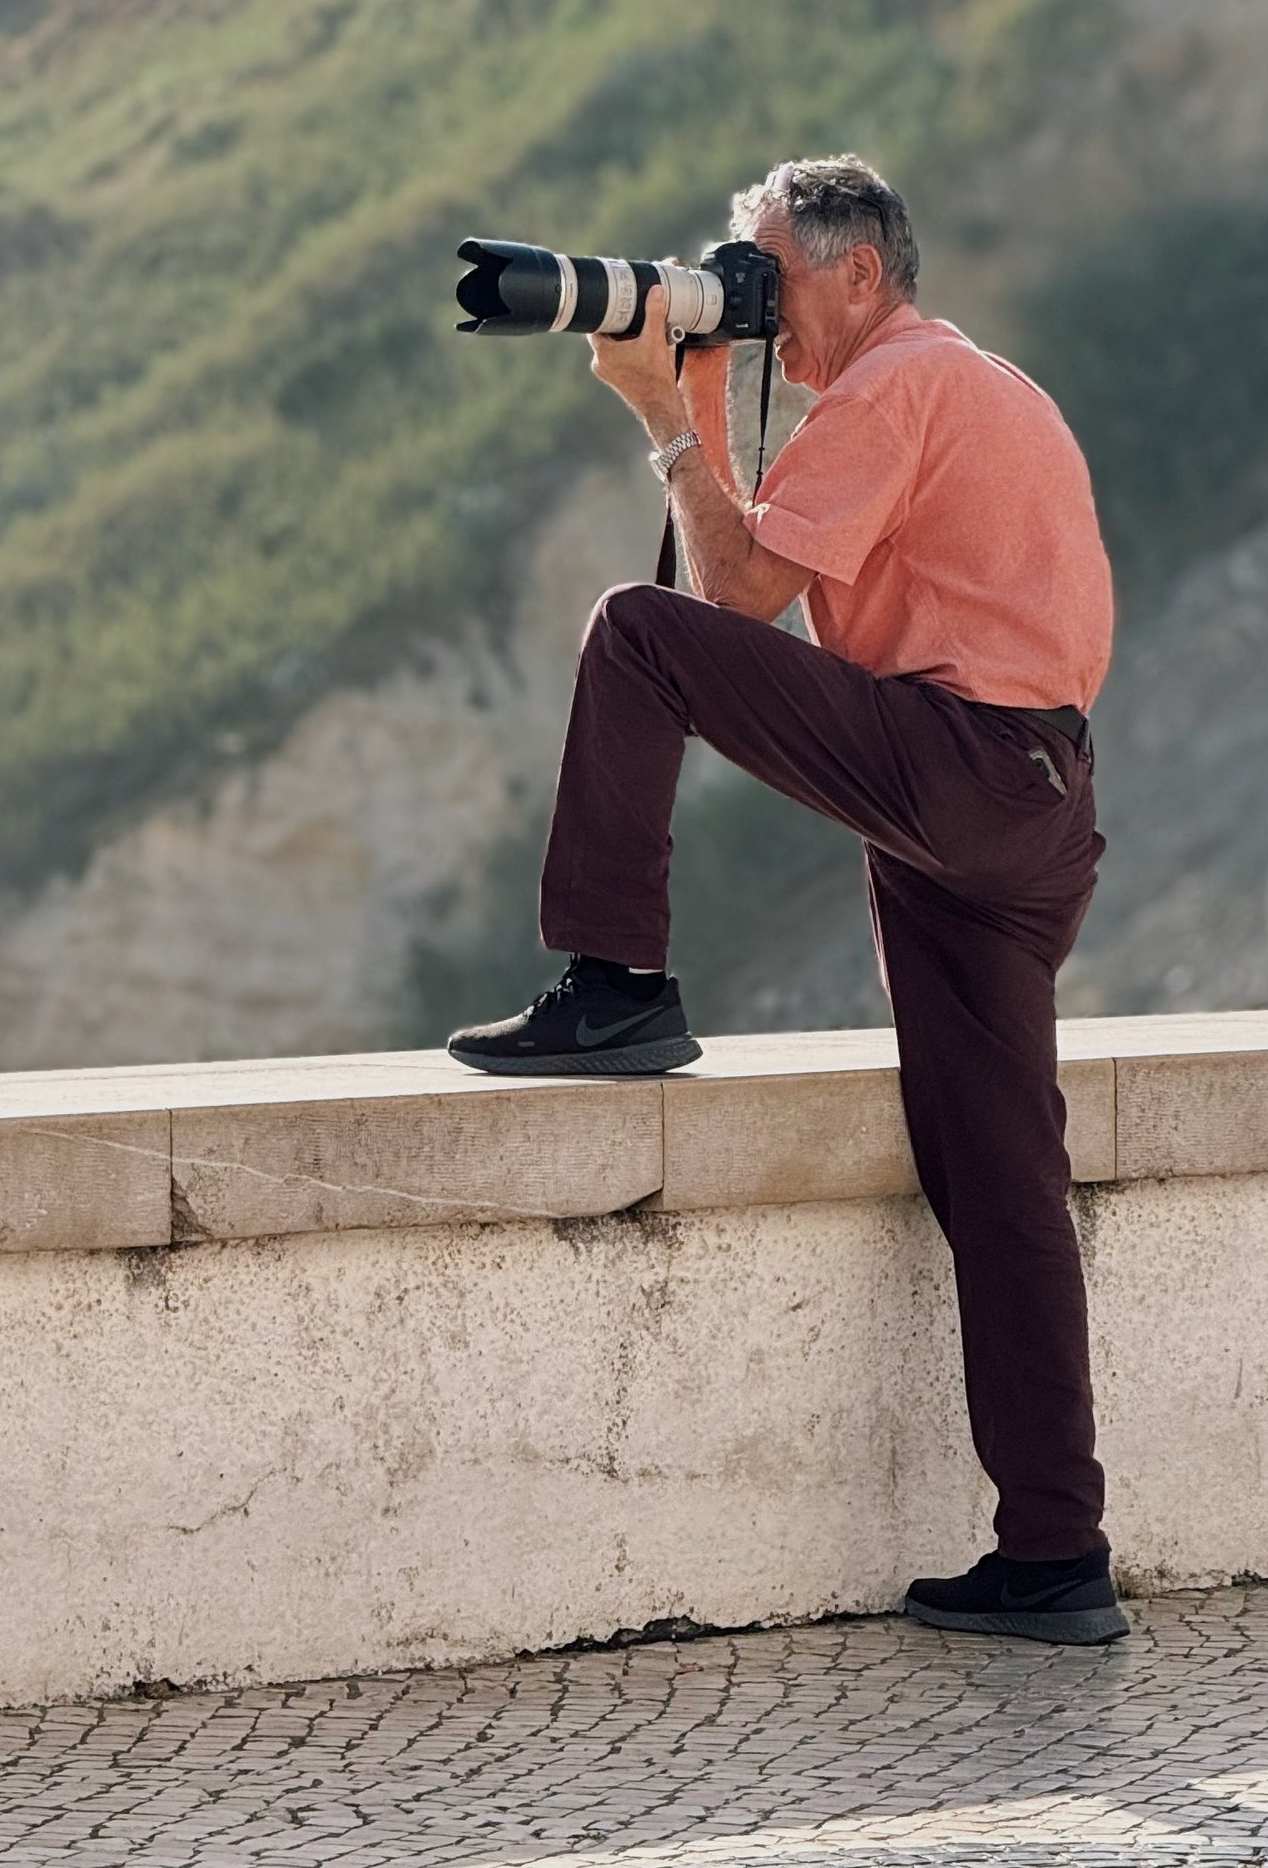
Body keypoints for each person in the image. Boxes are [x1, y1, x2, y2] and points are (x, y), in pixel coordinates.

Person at [448, 153, 1124, 1648]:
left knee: (633, 635)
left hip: (959, 767)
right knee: (1000, 1175)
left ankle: (620, 982)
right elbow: (762, 583)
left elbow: (721, 610)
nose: (758, 303)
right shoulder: (970, 384)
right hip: (1033, 805)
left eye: (770, 276)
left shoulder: (892, 386)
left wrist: (650, 414)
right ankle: (1057, 1552)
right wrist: (698, 394)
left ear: (862, 272)